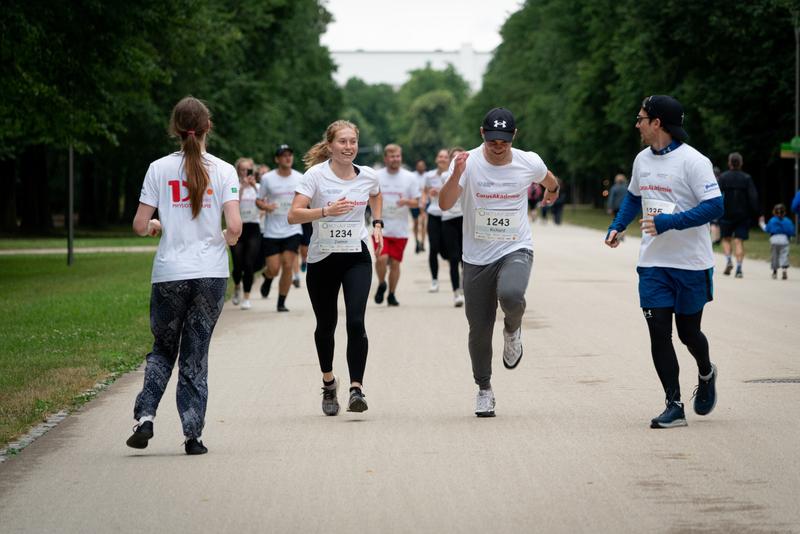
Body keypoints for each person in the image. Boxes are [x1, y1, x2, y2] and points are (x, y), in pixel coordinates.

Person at [126, 96, 241, 455]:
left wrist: (158, 225)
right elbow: (235, 226)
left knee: (163, 348)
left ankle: (145, 416)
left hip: (170, 274)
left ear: (176, 129)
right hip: (209, 274)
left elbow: (140, 224)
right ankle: (193, 435)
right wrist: (223, 239)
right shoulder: (224, 170)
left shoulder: (158, 168)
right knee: (195, 353)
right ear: (208, 127)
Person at [605, 94, 723, 429]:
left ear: (657, 122)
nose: (638, 124)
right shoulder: (642, 160)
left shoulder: (693, 161)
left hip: (691, 263)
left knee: (689, 333)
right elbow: (633, 197)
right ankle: (674, 404)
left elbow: (715, 207)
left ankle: (706, 370)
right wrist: (617, 225)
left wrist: (670, 222)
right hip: (654, 263)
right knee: (659, 332)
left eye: (641, 118)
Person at [439, 108, 560, 417]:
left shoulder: (527, 161)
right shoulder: (466, 162)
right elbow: (445, 203)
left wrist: (552, 192)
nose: (497, 146)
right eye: (492, 139)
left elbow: (550, 180)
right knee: (478, 330)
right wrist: (456, 174)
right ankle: (484, 388)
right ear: (483, 134)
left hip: (515, 247)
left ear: (513, 137)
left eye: (503, 141)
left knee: (511, 294)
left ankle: (512, 328)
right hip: (477, 257)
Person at [288, 120, 383, 415]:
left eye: (353, 141)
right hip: (323, 259)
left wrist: (377, 224)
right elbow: (293, 215)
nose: (348, 147)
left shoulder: (367, 176)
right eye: (342, 141)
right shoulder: (315, 176)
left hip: (357, 256)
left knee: (356, 321)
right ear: (330, 145)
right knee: (326, 325)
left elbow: (377, 194)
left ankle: (357, 389)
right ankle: (329, 383)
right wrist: (326, 211)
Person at [256, 144, 303, 312]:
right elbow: (259, 200)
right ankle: (268, 277)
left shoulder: (300, 177)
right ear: (277, 159)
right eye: (284, 155)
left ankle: (281, 302)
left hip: (293, 229)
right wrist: (266, 207)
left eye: (290, 155)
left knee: (288, 265)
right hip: (272, 231)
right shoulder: (268, 178)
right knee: (274, 268)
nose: (288, 158)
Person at [373, 144, 419, 306]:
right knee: (381, 258)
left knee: (395, 263)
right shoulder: (376, 176)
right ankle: (381, 283)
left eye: (398, 156)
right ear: (386, 158)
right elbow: (369, 196)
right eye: (392, 156)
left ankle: (391, 294)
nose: (395, 159)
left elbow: (417, 202)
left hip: (400, 229)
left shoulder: (409, 177)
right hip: (381, 227)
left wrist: (407, 201)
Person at [718, 152, 758, 278]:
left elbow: (717, 195)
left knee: (725, 239)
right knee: (739, 241)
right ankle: (739, 269)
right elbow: (753, 197)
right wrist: (757, 212)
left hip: (726, 214)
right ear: (741, 163)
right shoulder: (746, 178)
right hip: (743, 215)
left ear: (729, 163)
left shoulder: (723, 177)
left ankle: (729, 260)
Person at [230, 157, 262, 310]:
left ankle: (247, 296)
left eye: (247, 169)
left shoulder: (260, 187)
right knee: (237, 264)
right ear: (238, 171)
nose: (245, 172)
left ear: (252, 171)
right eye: (242, 170)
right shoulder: (234, 186)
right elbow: (233, 204)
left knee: (249, 263)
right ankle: (237, 286)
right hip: (237, 227)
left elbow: (263, 204)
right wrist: (242, 188)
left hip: (253, 227)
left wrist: (254, 187)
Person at [441, 147, 466, 307]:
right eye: (454, 158)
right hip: (449, 218)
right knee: (453, 258)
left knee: (466, 258)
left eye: (460, 157)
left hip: (465, 218)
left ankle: (465, 288)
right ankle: (456, 292)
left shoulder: (470, 174)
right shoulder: (445, 175)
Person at [424, 149, 450, 293]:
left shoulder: (453, 175)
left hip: (449, 215)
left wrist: (441, 192)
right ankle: (434, 280)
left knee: (450, 251)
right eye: (440, 156)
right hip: (434, 213)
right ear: (436, 159)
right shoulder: (429, 176)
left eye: (445, 157)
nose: (442, 159)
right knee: (433, 248)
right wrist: (426, 196)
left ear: (449, 160)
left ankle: (461, 277)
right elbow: (425, 191)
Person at [758, 204, 795, 279]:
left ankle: (774, 272)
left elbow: (767, 229)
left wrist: (761, 223)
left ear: (774, 212)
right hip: (784, 240)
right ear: (784, 212)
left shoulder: (772, 220)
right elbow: (791, 231)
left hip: (774, 240)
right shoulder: (788, 221)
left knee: (774, 256)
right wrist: (790, 237)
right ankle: (784, 270)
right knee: (784, 255)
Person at [412, 159, 427, 253]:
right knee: (416, 223)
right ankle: (416, 241)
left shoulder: (427, 176)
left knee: (423, 223)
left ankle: (423, 243)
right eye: (419, 165)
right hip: (415, 202)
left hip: (425, 202)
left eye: (422, 165)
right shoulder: (412, 176)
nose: (421, 167)